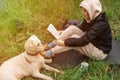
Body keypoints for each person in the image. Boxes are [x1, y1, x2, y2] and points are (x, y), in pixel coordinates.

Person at [41, 0, 112, 60]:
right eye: (82, 10)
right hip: (93, 42)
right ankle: (52, 44)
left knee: (74, 39)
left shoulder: (100, 24)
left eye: (85, 11)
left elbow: (84, 40)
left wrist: (64, 42)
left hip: (99, 52)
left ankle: (50, 53)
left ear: (92, 10)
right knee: (72, 28)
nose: (82, 13)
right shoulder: (92, 16)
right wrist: (64, 32)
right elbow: (81, 27)